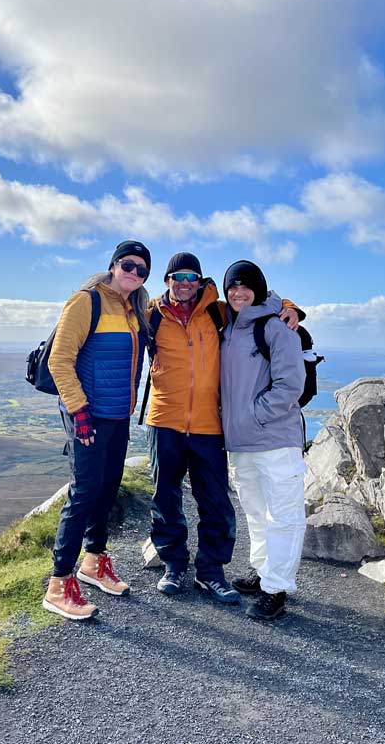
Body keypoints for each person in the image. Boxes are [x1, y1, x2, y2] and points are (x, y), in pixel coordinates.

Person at [146, 252, 299, 604]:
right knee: (165, 498)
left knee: (215, 502)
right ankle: (174, 565)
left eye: (191, 277)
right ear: (167, 280)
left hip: (208, 424)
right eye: (177, 277)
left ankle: (211, 572)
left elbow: (257, 302)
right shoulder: (152, 314)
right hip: (163, 421)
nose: (184, 284)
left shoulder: (217, 311)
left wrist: (290, 306)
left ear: (201, 281)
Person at [41, 240, 151, 620]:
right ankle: (58, 583)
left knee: (107, 487)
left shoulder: (134, 308)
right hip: (87, 414)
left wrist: (283, 307)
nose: (134, 273)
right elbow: (59, 359)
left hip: (117, 415)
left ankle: (93, 561)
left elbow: (186, 297)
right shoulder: (86, 301)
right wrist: (79, 410)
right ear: (113, 264)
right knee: (84, 493)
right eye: (128, 265)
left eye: (142, 269)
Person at [220, 260, 306, 621]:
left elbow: (291, 385)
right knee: (257, 514)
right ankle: (263, 571)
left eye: (246, 286)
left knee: (284, 515)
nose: (239, 292)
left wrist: (254, 416)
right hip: (241, 444)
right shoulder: (228, 327)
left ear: (258, 288)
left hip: (275, 440)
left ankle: (277, 588)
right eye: (233, 287)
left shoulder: (275, 328)